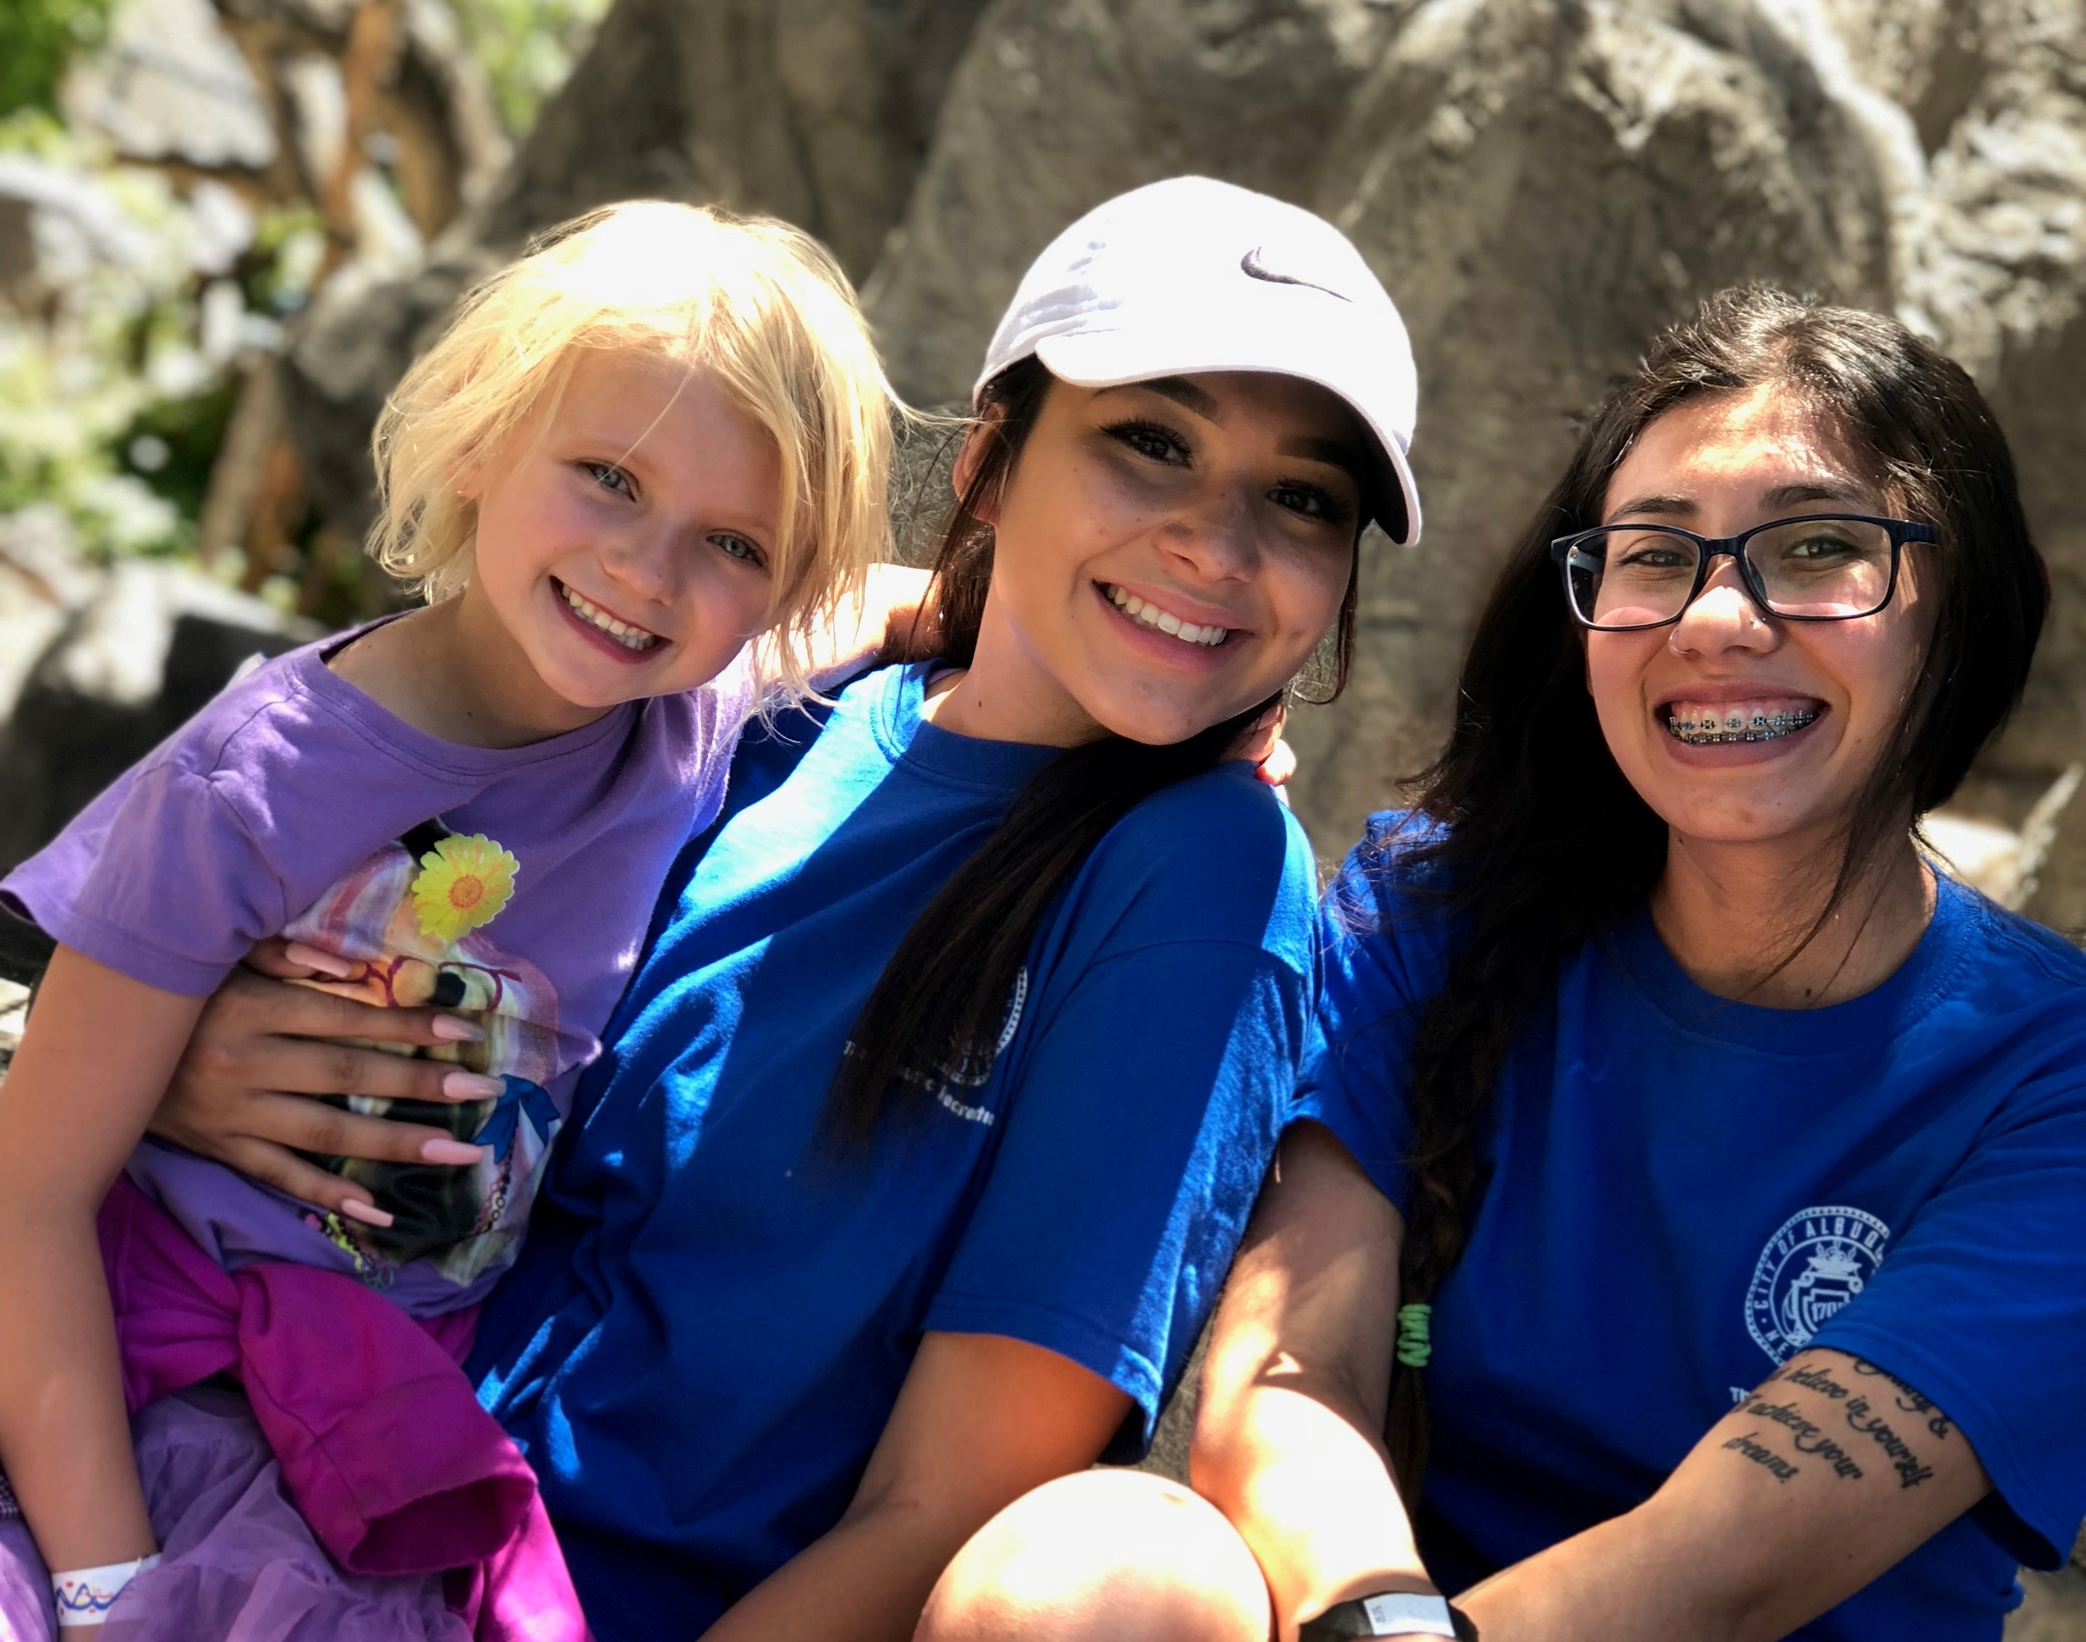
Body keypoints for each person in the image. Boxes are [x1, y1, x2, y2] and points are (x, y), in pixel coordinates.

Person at [114, 175, 1429, 1640]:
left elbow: (937, 1510)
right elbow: (273, 879)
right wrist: (174, 1061)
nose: (1215, 543)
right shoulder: (751, 708)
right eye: (1148, 442)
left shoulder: (1200, 878)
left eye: (1302, 500)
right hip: (303, 1479)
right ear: (990, 464)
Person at [912, 287, 2086, 1642]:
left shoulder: (2046, 1080)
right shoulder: (1433, 913)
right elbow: (1290, 1379)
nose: (1714, 618)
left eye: (1818, 546)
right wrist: (1384, 1617)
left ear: (1960, 610)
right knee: (1088, 1575)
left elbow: (1719, 1571)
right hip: (1398, 1618)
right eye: (1651, 555)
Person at [0, 199, 904, 1639]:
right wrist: (109, 1593)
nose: (645, 572)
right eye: (607, 475)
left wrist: (1128, 680)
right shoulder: (261, 782)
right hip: (122, 1383)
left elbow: (877, 600)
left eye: (730, 542)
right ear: (484, 433)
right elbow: (29, 1189)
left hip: (370, 1428)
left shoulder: (676, 720)